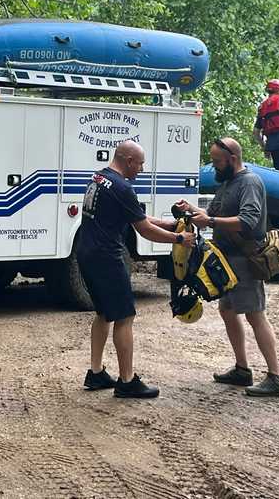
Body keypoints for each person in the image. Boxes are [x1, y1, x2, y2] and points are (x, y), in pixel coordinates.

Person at [79, 139, 195, 399]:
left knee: (103, 313)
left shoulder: (99, 178)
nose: (142, 169)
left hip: (87, 254)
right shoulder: (122, 187)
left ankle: (96, 372)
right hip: (107, 258)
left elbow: (136, 217)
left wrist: (168, 224)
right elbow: (143, 229)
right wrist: (179, 239)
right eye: (140, 164)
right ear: (129, 160)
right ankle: (127, 380)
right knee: (124, 317)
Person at [175, 137, 279, 397]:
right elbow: (212, 215)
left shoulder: (249, 182)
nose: (214, 166)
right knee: (228, 311)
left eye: (217, 161)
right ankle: (242, 369)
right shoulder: (227, 182)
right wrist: (191, 210)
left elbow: (248, 220)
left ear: (233, 159)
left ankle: (276, 377)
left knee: (255, 314)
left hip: (245, 260)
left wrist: (210, 219)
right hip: (225, 260)